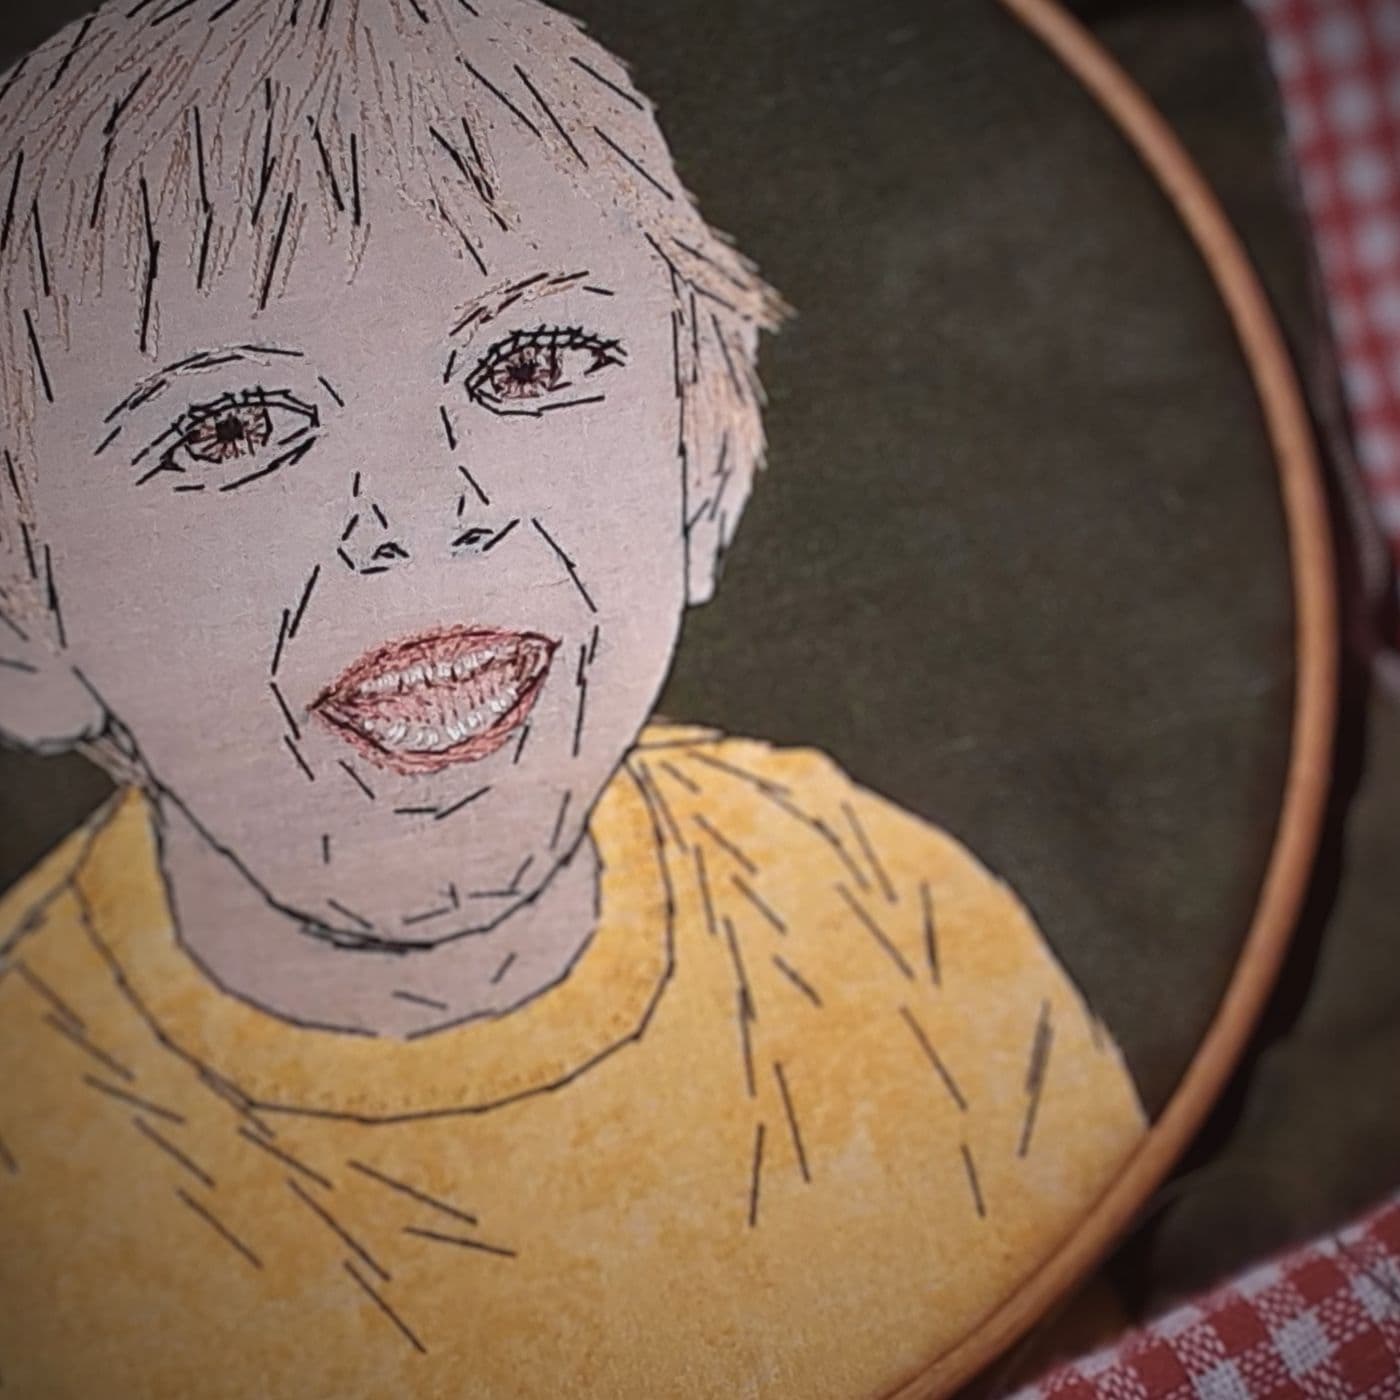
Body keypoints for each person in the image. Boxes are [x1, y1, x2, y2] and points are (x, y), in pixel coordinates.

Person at [0, 1, 1146, 1395]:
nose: (426, 514)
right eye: (232, 428)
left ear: (701, 458)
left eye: (529, 363)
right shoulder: (30, 1130)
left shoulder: (890, 919)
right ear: (26, 607)